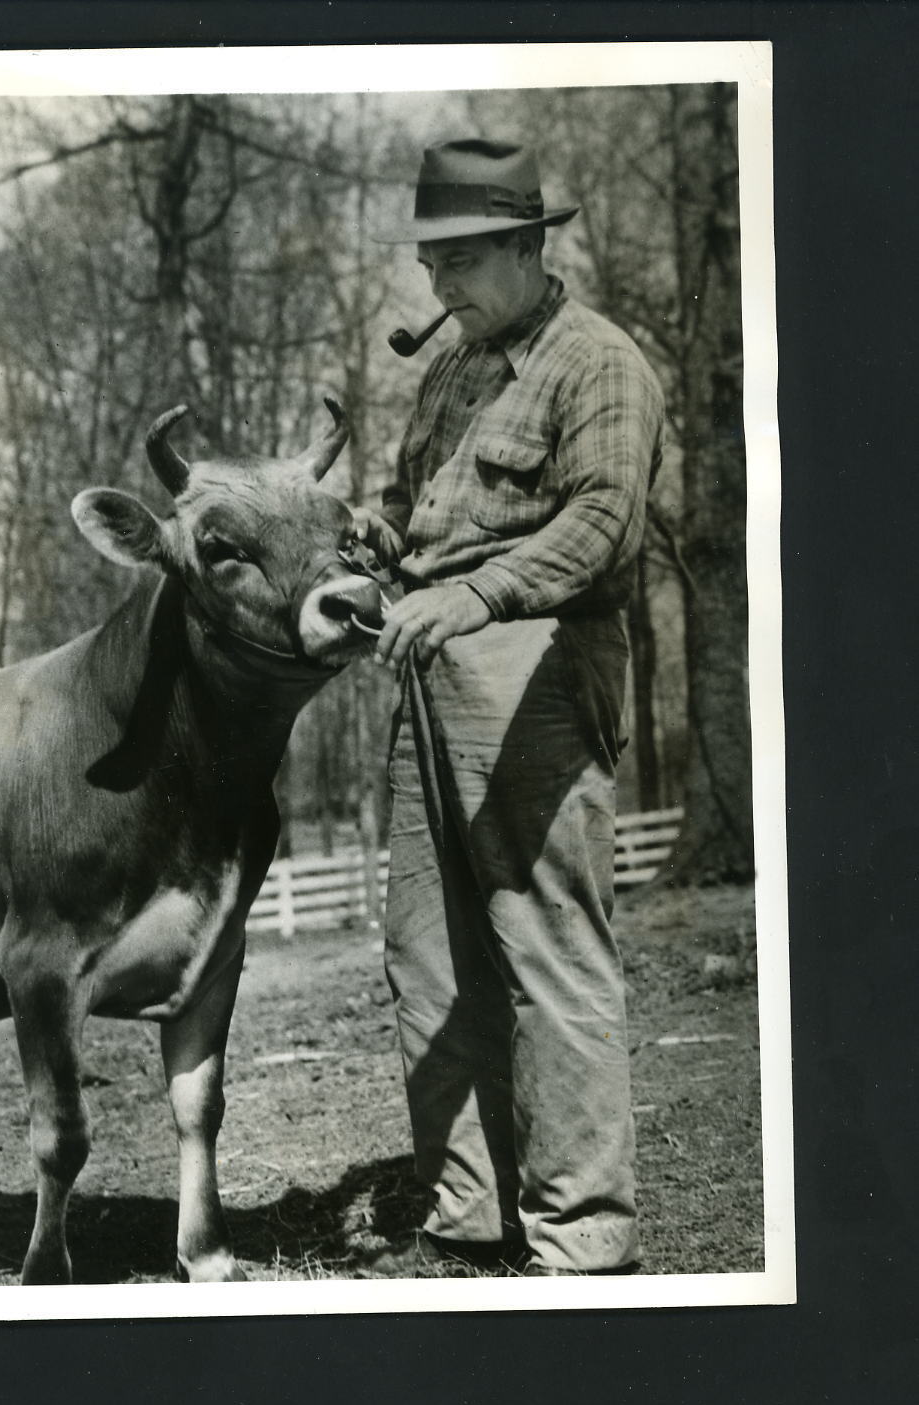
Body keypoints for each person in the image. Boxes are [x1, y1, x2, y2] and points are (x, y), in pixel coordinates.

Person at [355, 137, 665, 1276]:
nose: (444, 289)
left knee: (547, 953)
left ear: (531, 249)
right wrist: (378, 546)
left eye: (467, 260)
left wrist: (476, 592)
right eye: (432, 266)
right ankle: (467, 1215)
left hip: (534, 666)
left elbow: (600, 527)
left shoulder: (601, 364)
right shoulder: (449, 370)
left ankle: (581, 1239)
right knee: (425, 957)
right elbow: (411, 510)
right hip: (425, 665)